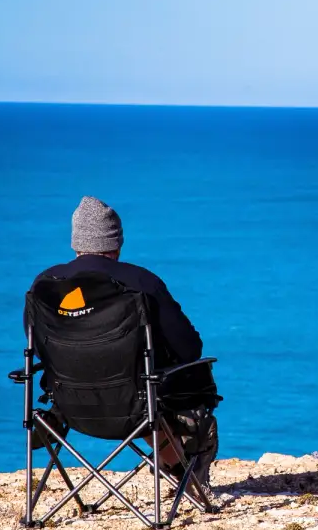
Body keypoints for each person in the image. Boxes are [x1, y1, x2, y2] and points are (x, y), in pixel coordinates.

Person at [28, 196, 219, 486]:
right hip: (135, 404)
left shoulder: (45, 284)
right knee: (158, 386)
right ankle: (185, 466)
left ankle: (53, 419)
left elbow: (39, 344)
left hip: (71, 404)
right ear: (117, 242)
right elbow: (189, 347)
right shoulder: (140, 282)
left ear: (76, 241)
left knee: (130, 386)